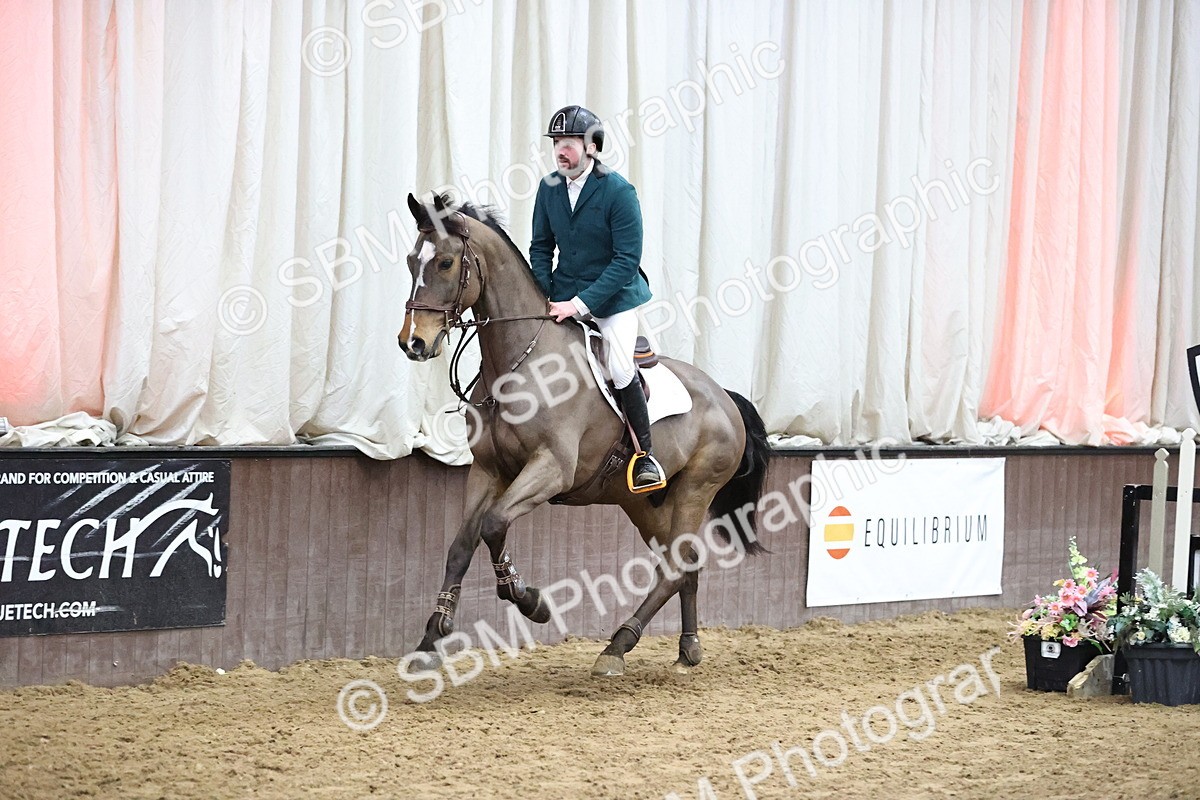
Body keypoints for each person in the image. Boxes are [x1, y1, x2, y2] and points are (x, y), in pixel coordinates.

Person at [529, 104, 666, 493]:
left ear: (591, 147)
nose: (560, 150)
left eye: (568, 143)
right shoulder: (548, 187)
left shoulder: (618, 191)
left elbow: (626, 261)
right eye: (556, 143)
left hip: (613, 301)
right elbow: (540, 247)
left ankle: (646, 456)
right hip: (561, 297)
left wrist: (580, 304)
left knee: (621, 367)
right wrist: (544, 294)